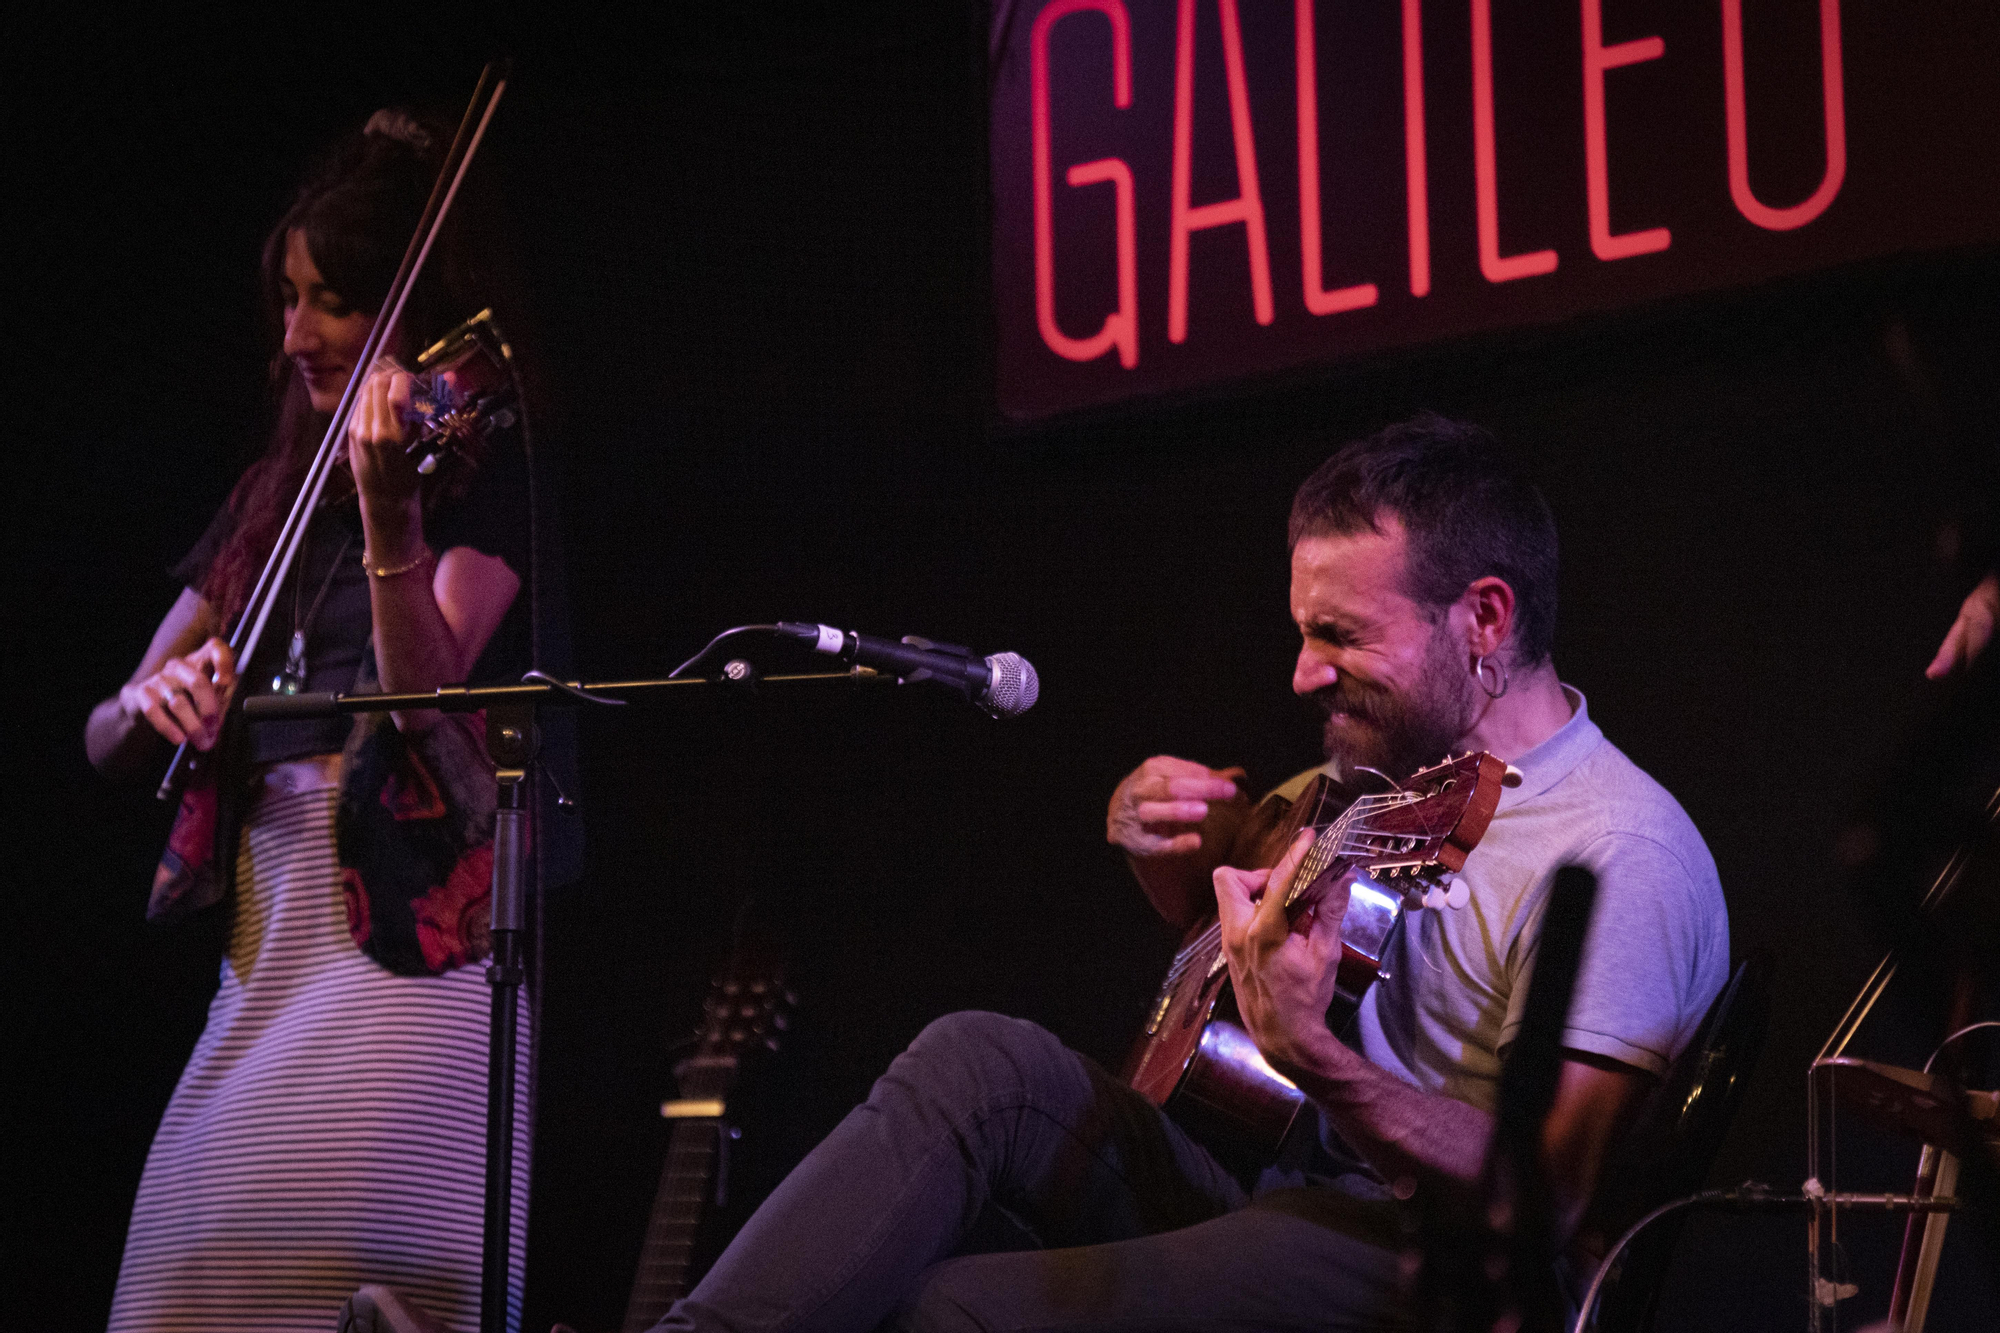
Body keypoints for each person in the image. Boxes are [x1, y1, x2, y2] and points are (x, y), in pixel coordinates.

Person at [653, 414, 1730, 1332]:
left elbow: (1553, 1196)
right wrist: (1158, 849)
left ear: (1482, 618)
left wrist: (1313, 1053)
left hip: (1438, 1265)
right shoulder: (1390, 780)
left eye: (1337, 634)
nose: (1301, 671)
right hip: (1293, 1182)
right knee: (976, 1063)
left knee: (959, 1309)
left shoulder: (1616, 852)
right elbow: (1227, 929)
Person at [87, 110, 548, 1333]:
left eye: (332, 301)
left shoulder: (476, 460)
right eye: (287, 299)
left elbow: (429, 708)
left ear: (411, 308)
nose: (295, 335)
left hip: (400, 966)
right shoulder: (267, 499)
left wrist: (391, 522)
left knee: (346, 1289)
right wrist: (154, 699)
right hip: (263, 955)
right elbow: (103, 728)